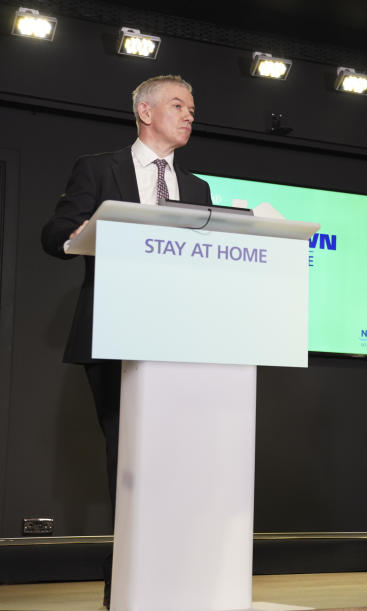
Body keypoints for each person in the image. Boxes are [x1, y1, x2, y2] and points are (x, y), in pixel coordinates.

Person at [40, 74, 211, 608]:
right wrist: (90, 232)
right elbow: (56, 233)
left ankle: (176, 584)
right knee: (131, 465)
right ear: (145, 111)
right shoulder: (99, 168)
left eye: (191, 108)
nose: (189, 115)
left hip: (181, 343)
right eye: (178, 105)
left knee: (177, 465)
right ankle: (129, 592)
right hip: (116, 336)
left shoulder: (200, 188)